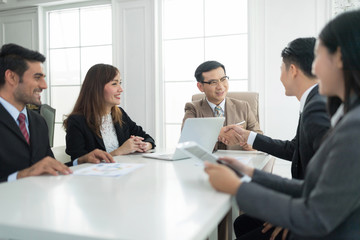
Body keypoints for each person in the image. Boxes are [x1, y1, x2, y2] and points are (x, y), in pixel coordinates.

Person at [205, 10, 360, 240]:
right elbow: (312, 186)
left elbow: (316, 213)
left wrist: (238, 188)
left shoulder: (350, 124)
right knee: (243, 224)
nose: (314, 69)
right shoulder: (345, 115)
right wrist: (251, 174)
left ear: (338, 57)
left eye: (318, 58)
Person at [0, 44, 110, 182]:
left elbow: (47, 167)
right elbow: (31, 172)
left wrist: (80, 161)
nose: (44, 85)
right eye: (37, 77)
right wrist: (20, 176)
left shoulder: (38, 122)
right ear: (11, 77)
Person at [64, 63, 155, 165]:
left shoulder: (120, 114)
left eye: (120, 83)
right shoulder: (77, 121)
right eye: (114, 84)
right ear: (97, 88)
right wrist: (119, 151)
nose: (121, 89)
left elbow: (147, 138)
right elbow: (79, 163)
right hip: (94, 179)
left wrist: (145, 145)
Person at [182, 60, 262, 150]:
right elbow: (187, 136)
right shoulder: (193, 108)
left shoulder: (243, 107)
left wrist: (252, 145)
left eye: (223, 79)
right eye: (213, 82)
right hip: (206, 162)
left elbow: (258, 136)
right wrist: (217, 133)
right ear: (200, 87)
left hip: (238, 161)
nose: (220, 86)